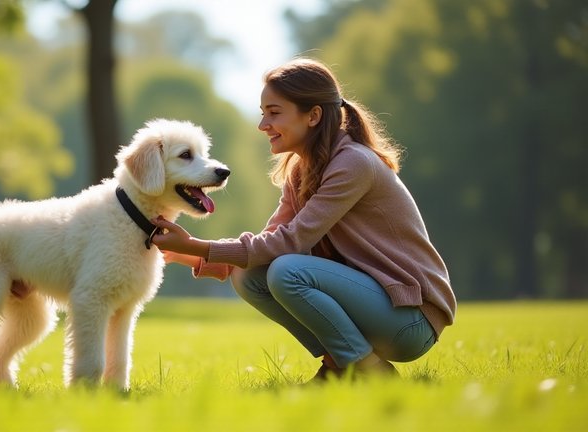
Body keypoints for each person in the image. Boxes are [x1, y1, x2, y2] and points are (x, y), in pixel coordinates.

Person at [150, 58, 456, 381]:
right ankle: (339, 365)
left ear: (313, 116)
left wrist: (201, 246)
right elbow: (268, 241)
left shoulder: (353, 163)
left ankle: (365, 369)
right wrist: (189, 253)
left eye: (274, 112)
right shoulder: (302, 170)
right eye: (262, 112)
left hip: (411, 317)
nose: (263, 124)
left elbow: (291, 242)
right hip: (377, 306)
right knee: (249, 275)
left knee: (287, 271)